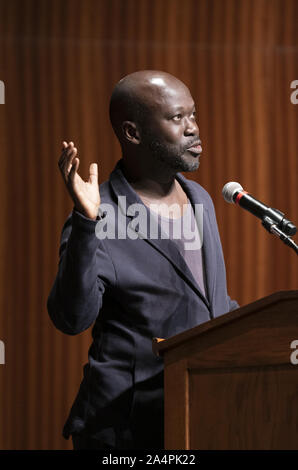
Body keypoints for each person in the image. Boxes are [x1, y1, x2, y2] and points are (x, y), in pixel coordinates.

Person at [47, 70, 238, 450]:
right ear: (133, 133)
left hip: (197, 408)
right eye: (176, 118)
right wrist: (87, 224)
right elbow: (71, 318)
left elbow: (211, 301)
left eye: (193, 115)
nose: (193, 128)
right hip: (126, 428)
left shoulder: (199, 197)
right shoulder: (100, 215)